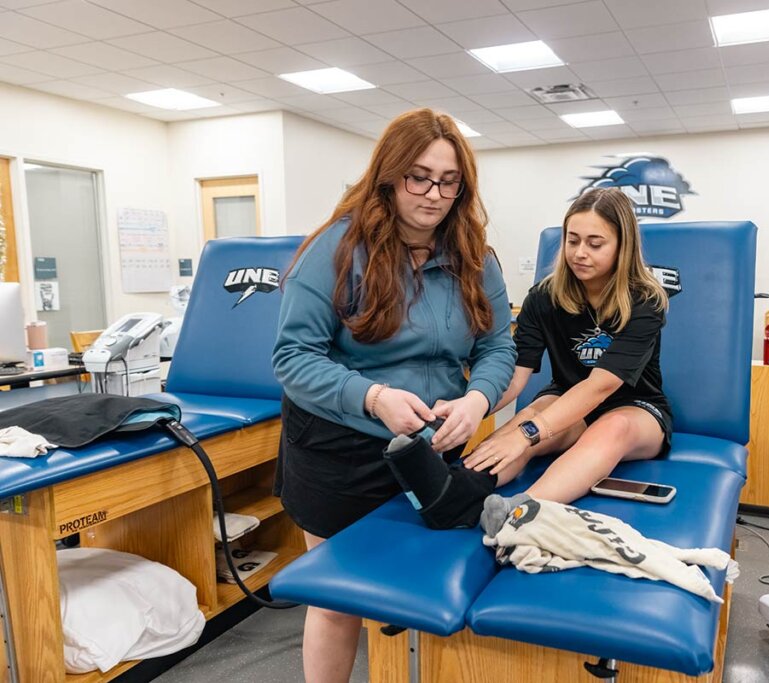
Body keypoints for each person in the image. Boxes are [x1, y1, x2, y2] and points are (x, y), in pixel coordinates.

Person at [272, 108, 515, 683]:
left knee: (425, 587)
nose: (434, 194)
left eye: (449, 181)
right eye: (419, 177)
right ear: (389, 174)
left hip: (433, 446)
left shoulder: (475, 257)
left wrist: (479, 400)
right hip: (339, 447)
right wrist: (373, 396)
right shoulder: (336, 249)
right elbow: (292, 358)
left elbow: (498, 346)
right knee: (338, 602)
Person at [462, 187, 672, 534]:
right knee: (529, 415)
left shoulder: (645, 301)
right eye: (572, 240)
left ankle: (520, 513)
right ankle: (458, 488)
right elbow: (517, 376)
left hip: (635, 407)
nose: (580, 253)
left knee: (608, 427)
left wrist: (529, 434)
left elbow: (600, 386)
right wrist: (470, 409)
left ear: (623, 246)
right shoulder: (544, 296)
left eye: (595, 243)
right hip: (566, 397)